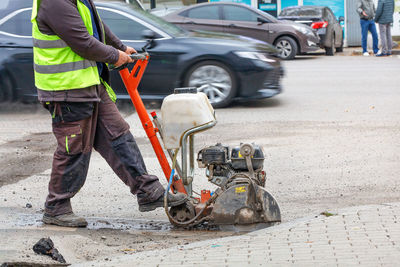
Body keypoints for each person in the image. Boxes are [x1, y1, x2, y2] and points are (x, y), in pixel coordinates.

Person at [31, 0, 187, 227]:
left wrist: (120, 47)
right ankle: (56, 207)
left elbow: (97, 26)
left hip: (89, 84)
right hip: (65, 90)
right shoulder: (54, 2)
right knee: (73, 149)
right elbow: (83, 42)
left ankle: (148, 191)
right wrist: (115, 56)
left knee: (119, 136)